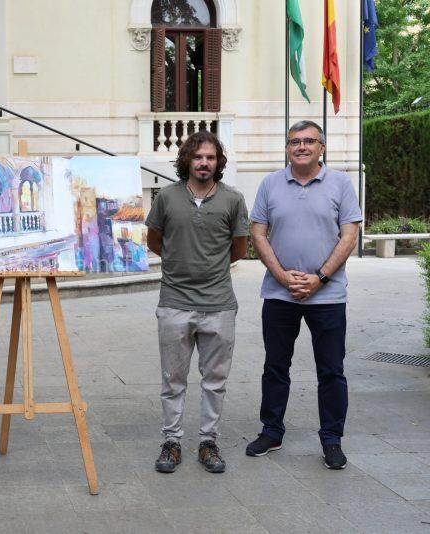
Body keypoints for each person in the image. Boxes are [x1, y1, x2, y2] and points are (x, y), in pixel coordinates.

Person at [245, 120, 362, 469]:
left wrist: (319, 278)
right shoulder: (270, 183)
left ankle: (332, 440)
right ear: (287, 148)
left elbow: (349, 236)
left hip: (328, 296)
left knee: (331, 370)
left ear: (321, 148)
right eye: (294, 141)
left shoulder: (341, 183)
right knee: (275, 367)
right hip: (279, 295)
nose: (301, 147)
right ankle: (272, 431)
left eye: (309, 141)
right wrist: (283, 277)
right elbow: (258, 233)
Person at [144, 131, 249, 474]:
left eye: (211, 157)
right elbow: (155, 241)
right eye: (198, 156)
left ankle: (208, 442)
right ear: (187, 160)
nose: (204, 163)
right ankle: (171, 442)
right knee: (172, 379)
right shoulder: (166, 197)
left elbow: (239, 248)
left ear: (218, 162)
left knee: (215, 380)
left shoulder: (233, 199)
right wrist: (182, 264)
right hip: (175, 302)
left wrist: (208, 267)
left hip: (219, 304)